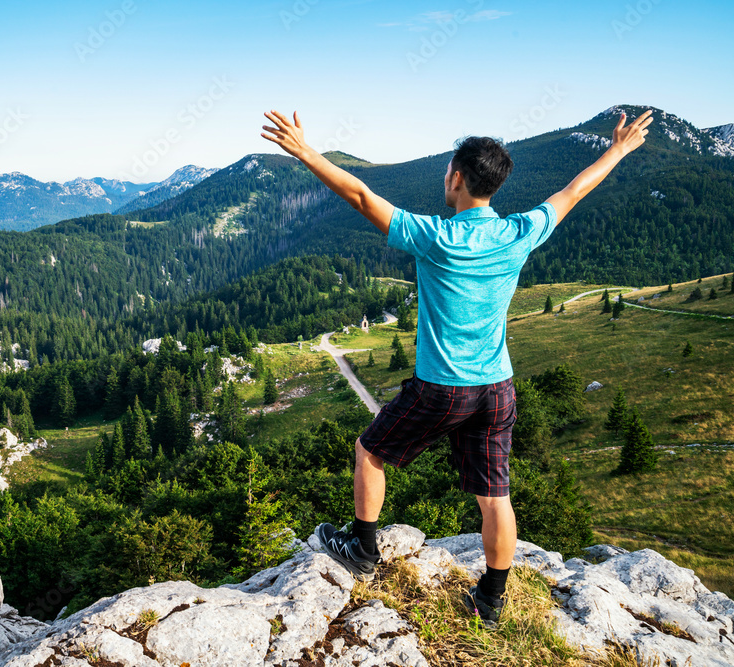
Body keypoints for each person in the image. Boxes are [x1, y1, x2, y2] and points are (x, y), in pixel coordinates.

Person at [260, 107, 653, 624]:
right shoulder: (519, 231)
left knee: (369, 450)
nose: (445, 177)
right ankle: (489, 600)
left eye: (448, 170)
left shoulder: (436, 237)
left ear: (459, 178)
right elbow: (574, 191)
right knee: (495, 496)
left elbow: (359, 196)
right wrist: (619, 149)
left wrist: (306, 152)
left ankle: (362, 550)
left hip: (443, 387)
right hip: (498, 389)